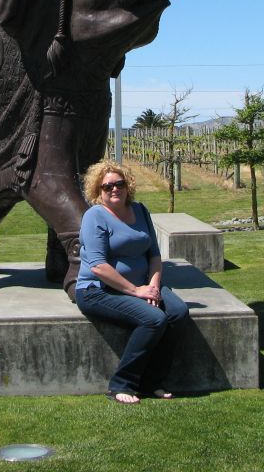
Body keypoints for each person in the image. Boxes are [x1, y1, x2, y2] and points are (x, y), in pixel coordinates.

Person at [75, 159, 188, 404]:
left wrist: (154, 287)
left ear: (128, 186)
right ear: (98, 190)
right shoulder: (95, 216)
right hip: (99, 290)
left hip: (143, 285)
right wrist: (136, 290)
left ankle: (152, 382)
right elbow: (98, 266)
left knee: (178, 312)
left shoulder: (140, 211)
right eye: (107, 186)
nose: (114, 189)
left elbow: (155, 255)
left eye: (119, 183)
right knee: (153, 319)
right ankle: (121, 384)